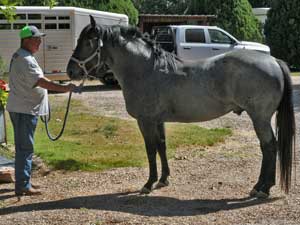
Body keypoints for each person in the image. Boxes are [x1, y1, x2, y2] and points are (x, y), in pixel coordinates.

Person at [7, 25, 77, 196]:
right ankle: (23, 185)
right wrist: (65, 88)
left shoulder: (24, 55)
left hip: (23, 108)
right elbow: (41, 81)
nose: (39, 42)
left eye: (40, 39)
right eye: (36, 39)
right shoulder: (26, 59)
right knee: (25, 148)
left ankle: (25, 181)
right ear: (26, 40)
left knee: (24, 147)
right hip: (24, 110)